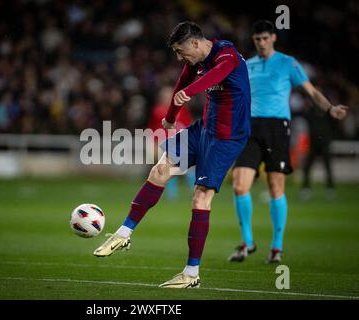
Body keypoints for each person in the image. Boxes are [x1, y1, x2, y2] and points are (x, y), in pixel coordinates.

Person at [94, 21, 251, 288]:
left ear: (195, 43)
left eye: (181, 51)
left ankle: (191, 274)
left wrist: (189, 92)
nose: (180, 57)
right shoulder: (195, 62)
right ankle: (123, 233)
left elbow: (216, 75)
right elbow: (182, 83)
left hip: (227, 137)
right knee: (160, 169)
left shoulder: (227, 54)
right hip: (203, 128)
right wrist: (169, 118)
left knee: (201, 197)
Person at [228, 20, 348, 263]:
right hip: (249, 128)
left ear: (273, 38)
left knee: (275, 187)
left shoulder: (288, 63)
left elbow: (311, 92)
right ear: (253, 40)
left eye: (265, 38)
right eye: (257, 39)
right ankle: (247, 242)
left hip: (277, 128)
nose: (261, 43)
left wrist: (330, 109)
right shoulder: (247, 66)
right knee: (240, 185)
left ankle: (276, 247)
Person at [148, 86, 194, 200]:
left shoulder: (182, 109)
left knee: (187, 169)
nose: (167, 97)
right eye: (165, 95)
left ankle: (195, 191)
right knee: (168, 169)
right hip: (164, 143)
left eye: (169, 95)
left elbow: (188, 125)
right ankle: (172, 195)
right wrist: (154, 142)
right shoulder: (158, 110)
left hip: (180, 142)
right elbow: (154, 128)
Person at [300, 105, 336, 201]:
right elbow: (302, 114)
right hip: (313, 144)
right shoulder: (311, 112)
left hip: (325, 144)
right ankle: (305, 189)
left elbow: (334, 126)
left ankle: (330, 189)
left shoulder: (328, 112)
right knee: (307, 168)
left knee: (328, 168)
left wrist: (329, 138)